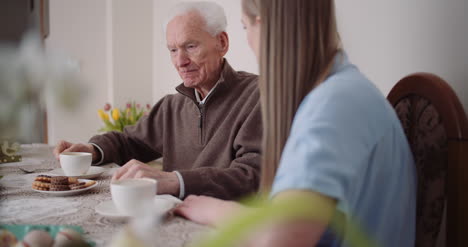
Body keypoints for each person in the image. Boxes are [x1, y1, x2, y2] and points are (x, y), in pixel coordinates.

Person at [174, 0, 416, 246]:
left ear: (264, 26)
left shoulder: (333, 105)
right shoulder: (343, 92)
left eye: (245, 27)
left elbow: (281, 237)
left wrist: (214, 210)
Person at [53, 1, 262, 200]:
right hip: (172, 219)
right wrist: (91, 150)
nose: (180, 61)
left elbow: (252, 175)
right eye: (173, 50)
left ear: (222, 43)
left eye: (190, 46)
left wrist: (175, 181)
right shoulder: (172, 105)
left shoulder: (259, 95)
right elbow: (129, 142)